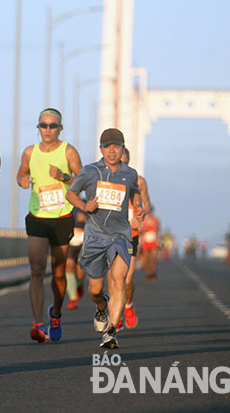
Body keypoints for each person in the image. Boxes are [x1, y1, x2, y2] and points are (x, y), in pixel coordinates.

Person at [66, 128, 144, 349]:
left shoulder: (129, 174)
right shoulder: (90, 172)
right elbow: (71, 193)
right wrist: (83, 205)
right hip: (95, 236)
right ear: (101, 149)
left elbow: (135, 192)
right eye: (107, 147)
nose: (112, 151)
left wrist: (139, 208)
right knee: (95, 290)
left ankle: (111, 331)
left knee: (118, 280)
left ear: (122, 149)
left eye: (116, 147)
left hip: (120, 236)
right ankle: (101, 307)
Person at [16, 108, 83, 342]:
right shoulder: (29, 152)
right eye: (43, 125)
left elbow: (83, 181)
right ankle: (37, 323)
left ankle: (56, 313)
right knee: (36, 269)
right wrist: (22, 181)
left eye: (52, 126)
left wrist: (64, 177)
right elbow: (20, 175)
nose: (47, 130)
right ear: (38, 127)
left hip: (62, 217)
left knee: (58, 271)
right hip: (37, 215)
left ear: (60, 128)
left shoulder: (69, 151)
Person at [115, 147, 151, 331]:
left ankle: (127, 305)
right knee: (115, 279)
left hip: (131, 235)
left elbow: (146, 205)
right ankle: (116, 314)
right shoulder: (104, 179)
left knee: (127, 280)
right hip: (110, 235)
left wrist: (141, 217)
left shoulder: (138, 181)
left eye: (124, 161)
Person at [65, 206, 86, 310]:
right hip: (70, 239)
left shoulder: (85, 203)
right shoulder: (66, 205)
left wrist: (86, 218)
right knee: (69, 265)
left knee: (80, 272)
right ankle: (73, 298)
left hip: (83, 240)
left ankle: (79, 284)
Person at [140, 206, 160, 282]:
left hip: (153, 240)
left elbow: (158, 230)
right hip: (146, 240)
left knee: (153, 257)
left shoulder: (156, 220)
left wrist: (158, 240)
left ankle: (153, 272)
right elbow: (141, 231)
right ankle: (148, 273)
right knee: (146, 258)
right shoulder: (144, 220)